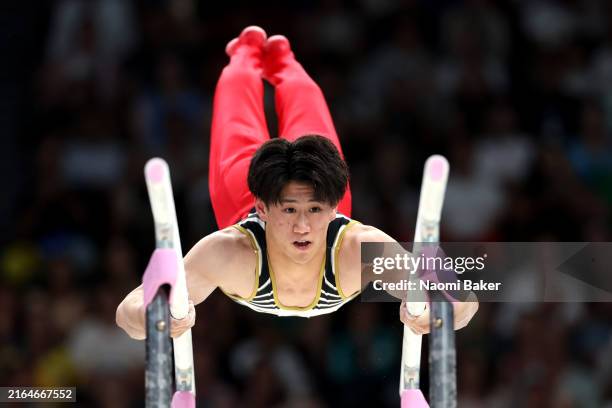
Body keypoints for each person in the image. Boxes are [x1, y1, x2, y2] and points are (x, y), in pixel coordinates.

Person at [116, 26, 478, 340]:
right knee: (236, 118)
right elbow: (127, 312)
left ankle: (284, 62)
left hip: (307, 206)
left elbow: (466, 300)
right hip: (242, 197)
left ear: (333, 206)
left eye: (314, 211)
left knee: (310, 121)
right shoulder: (228, 253)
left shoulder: (363, 249)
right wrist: (152, 318)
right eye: (290, 210)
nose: (302, 225)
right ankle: (243, 55)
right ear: (265, 207)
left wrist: (439, 312)